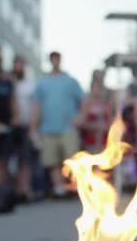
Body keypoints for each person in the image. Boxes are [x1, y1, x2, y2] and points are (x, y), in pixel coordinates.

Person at [31, 51, 84, 198]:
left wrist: (81, 117)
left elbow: (84, 100)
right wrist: (33, 127)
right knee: (52, 161)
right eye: (52, 59)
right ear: (50, 61)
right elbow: (36, 105)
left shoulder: (70, 81)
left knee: (72, 160)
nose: (55, 61)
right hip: (48, 128)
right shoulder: (42, 82)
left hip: (68, 128)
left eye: (57, 59)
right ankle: (59, 189)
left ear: (60, 60)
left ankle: (75, 188)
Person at [0, 44, 18, 213]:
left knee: (1, 163)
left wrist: (15, 116)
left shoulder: (5, 77)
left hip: (6, 127)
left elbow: (12, 99)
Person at [11, 56, 37, 202]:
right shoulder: (7, 82)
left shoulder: (30, 84)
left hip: (26, 126)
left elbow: (35, 106)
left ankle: (24, 190)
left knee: (26, 160)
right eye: (16, 64)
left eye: (21, 64)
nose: (18, 67)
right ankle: (10, 191)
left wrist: (33, 126)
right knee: (9, 160)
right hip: (10, 126)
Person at [79, 78, 114, 153]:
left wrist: (106, 127)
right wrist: (94, 126)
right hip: (90, 140)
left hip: (104, 141)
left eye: (99, 88)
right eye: (95, 88)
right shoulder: (87, 103)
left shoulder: (106, 103)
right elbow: (82, 122)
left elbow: (110, 122)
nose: (97, 90)